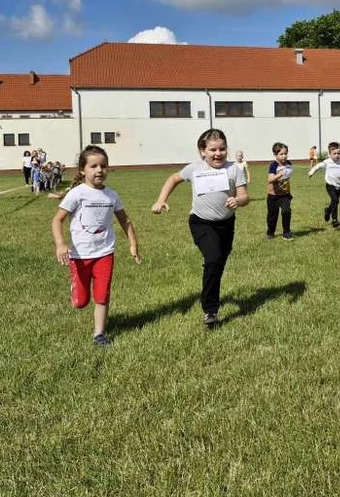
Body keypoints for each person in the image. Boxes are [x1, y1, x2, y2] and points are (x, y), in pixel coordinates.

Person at [152, 128, 249, 326]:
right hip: (201, 222)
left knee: (218, 263)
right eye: (213, 149)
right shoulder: (194, 169)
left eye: (222, 149)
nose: (218, 153)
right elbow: (173, 179)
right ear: (202, 151)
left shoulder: (234, 169)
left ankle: (210, 293)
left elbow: (245, 196)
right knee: (213, 259)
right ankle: (210, 310)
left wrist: (238, 201)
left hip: (226, 224)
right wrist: (161, 200)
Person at [51, 145, 140, 346]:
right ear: (83, 170)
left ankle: (99, 334)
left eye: (103, 166)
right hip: (80, 255)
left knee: (102, 294)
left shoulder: (112, 195)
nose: (99, 170)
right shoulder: (77, 194)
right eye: (93, 166)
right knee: (81, 302)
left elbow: (125, 220)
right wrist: (60, 244)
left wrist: (133, 244)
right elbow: (57, 220)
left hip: (105, 252)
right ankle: (77, 290)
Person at [308, 140, 340, 229]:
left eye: (338, 153)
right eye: (334, 153)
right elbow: (318, 166)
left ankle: (328, 210)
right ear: (330, 154)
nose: (337, 155)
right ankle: (334, 220)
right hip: (330, 185)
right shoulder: (327, 162)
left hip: (339, 185)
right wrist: (311, 172)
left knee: (335, 201)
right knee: (335, 200)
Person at [266, 142, 293, 240]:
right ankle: (270, 232)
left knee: (286, 211)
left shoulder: (289, 164)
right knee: (272, 216)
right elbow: (270, 179)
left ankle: (286, 232)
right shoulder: (274, 165)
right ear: (275, 155)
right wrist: (279, 174)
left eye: (285, 153)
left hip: (285, 195)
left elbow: (288, 174)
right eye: (281, 154)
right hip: (273, 196)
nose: (284, 156)